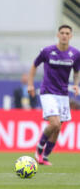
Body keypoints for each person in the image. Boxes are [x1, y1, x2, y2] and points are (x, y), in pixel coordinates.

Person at [28, 25, 80, 166]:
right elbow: (34, 65)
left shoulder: (75, 54)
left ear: (71, 36)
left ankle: (45, 156)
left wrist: (76, 84)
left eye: (67, 33)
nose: (64, 35)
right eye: (62, 33)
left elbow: (76, 71)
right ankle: (38, 150)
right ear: (58, 35)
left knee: (58, 127)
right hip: (47, 91)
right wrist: (30, 84)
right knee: (54, 123)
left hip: (63, 94)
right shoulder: (47, 51)